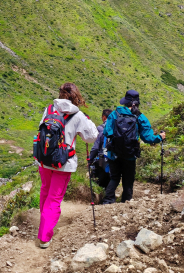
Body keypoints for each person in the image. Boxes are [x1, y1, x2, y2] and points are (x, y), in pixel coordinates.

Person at [35, 82, 98, 249]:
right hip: (63, 163)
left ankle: (44, 224)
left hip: (44, 159)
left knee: (45, 190)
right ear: (76, 96)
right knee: (54, 198)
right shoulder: (78, 115)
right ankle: (44, 236)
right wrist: (88, 122)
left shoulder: (49, 109)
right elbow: (91, 137)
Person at [102, 89, 165, 204]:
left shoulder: (114, 114)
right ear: (137, 103)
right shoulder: (140, 117)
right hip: (130, 154)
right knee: (128, 180)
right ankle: (126, 202)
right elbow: (148, 138)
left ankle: (108, 201)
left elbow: (106, 132)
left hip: (114, 153)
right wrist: (160, 137)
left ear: (125, 102)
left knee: (115, 178)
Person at [88, 108, 112, 188]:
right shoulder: (117, 128)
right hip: (114, 160)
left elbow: (95, 147)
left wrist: (90, 160)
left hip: (102, 160)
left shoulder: (101, 129)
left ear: (104, 117)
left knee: (99, 182)